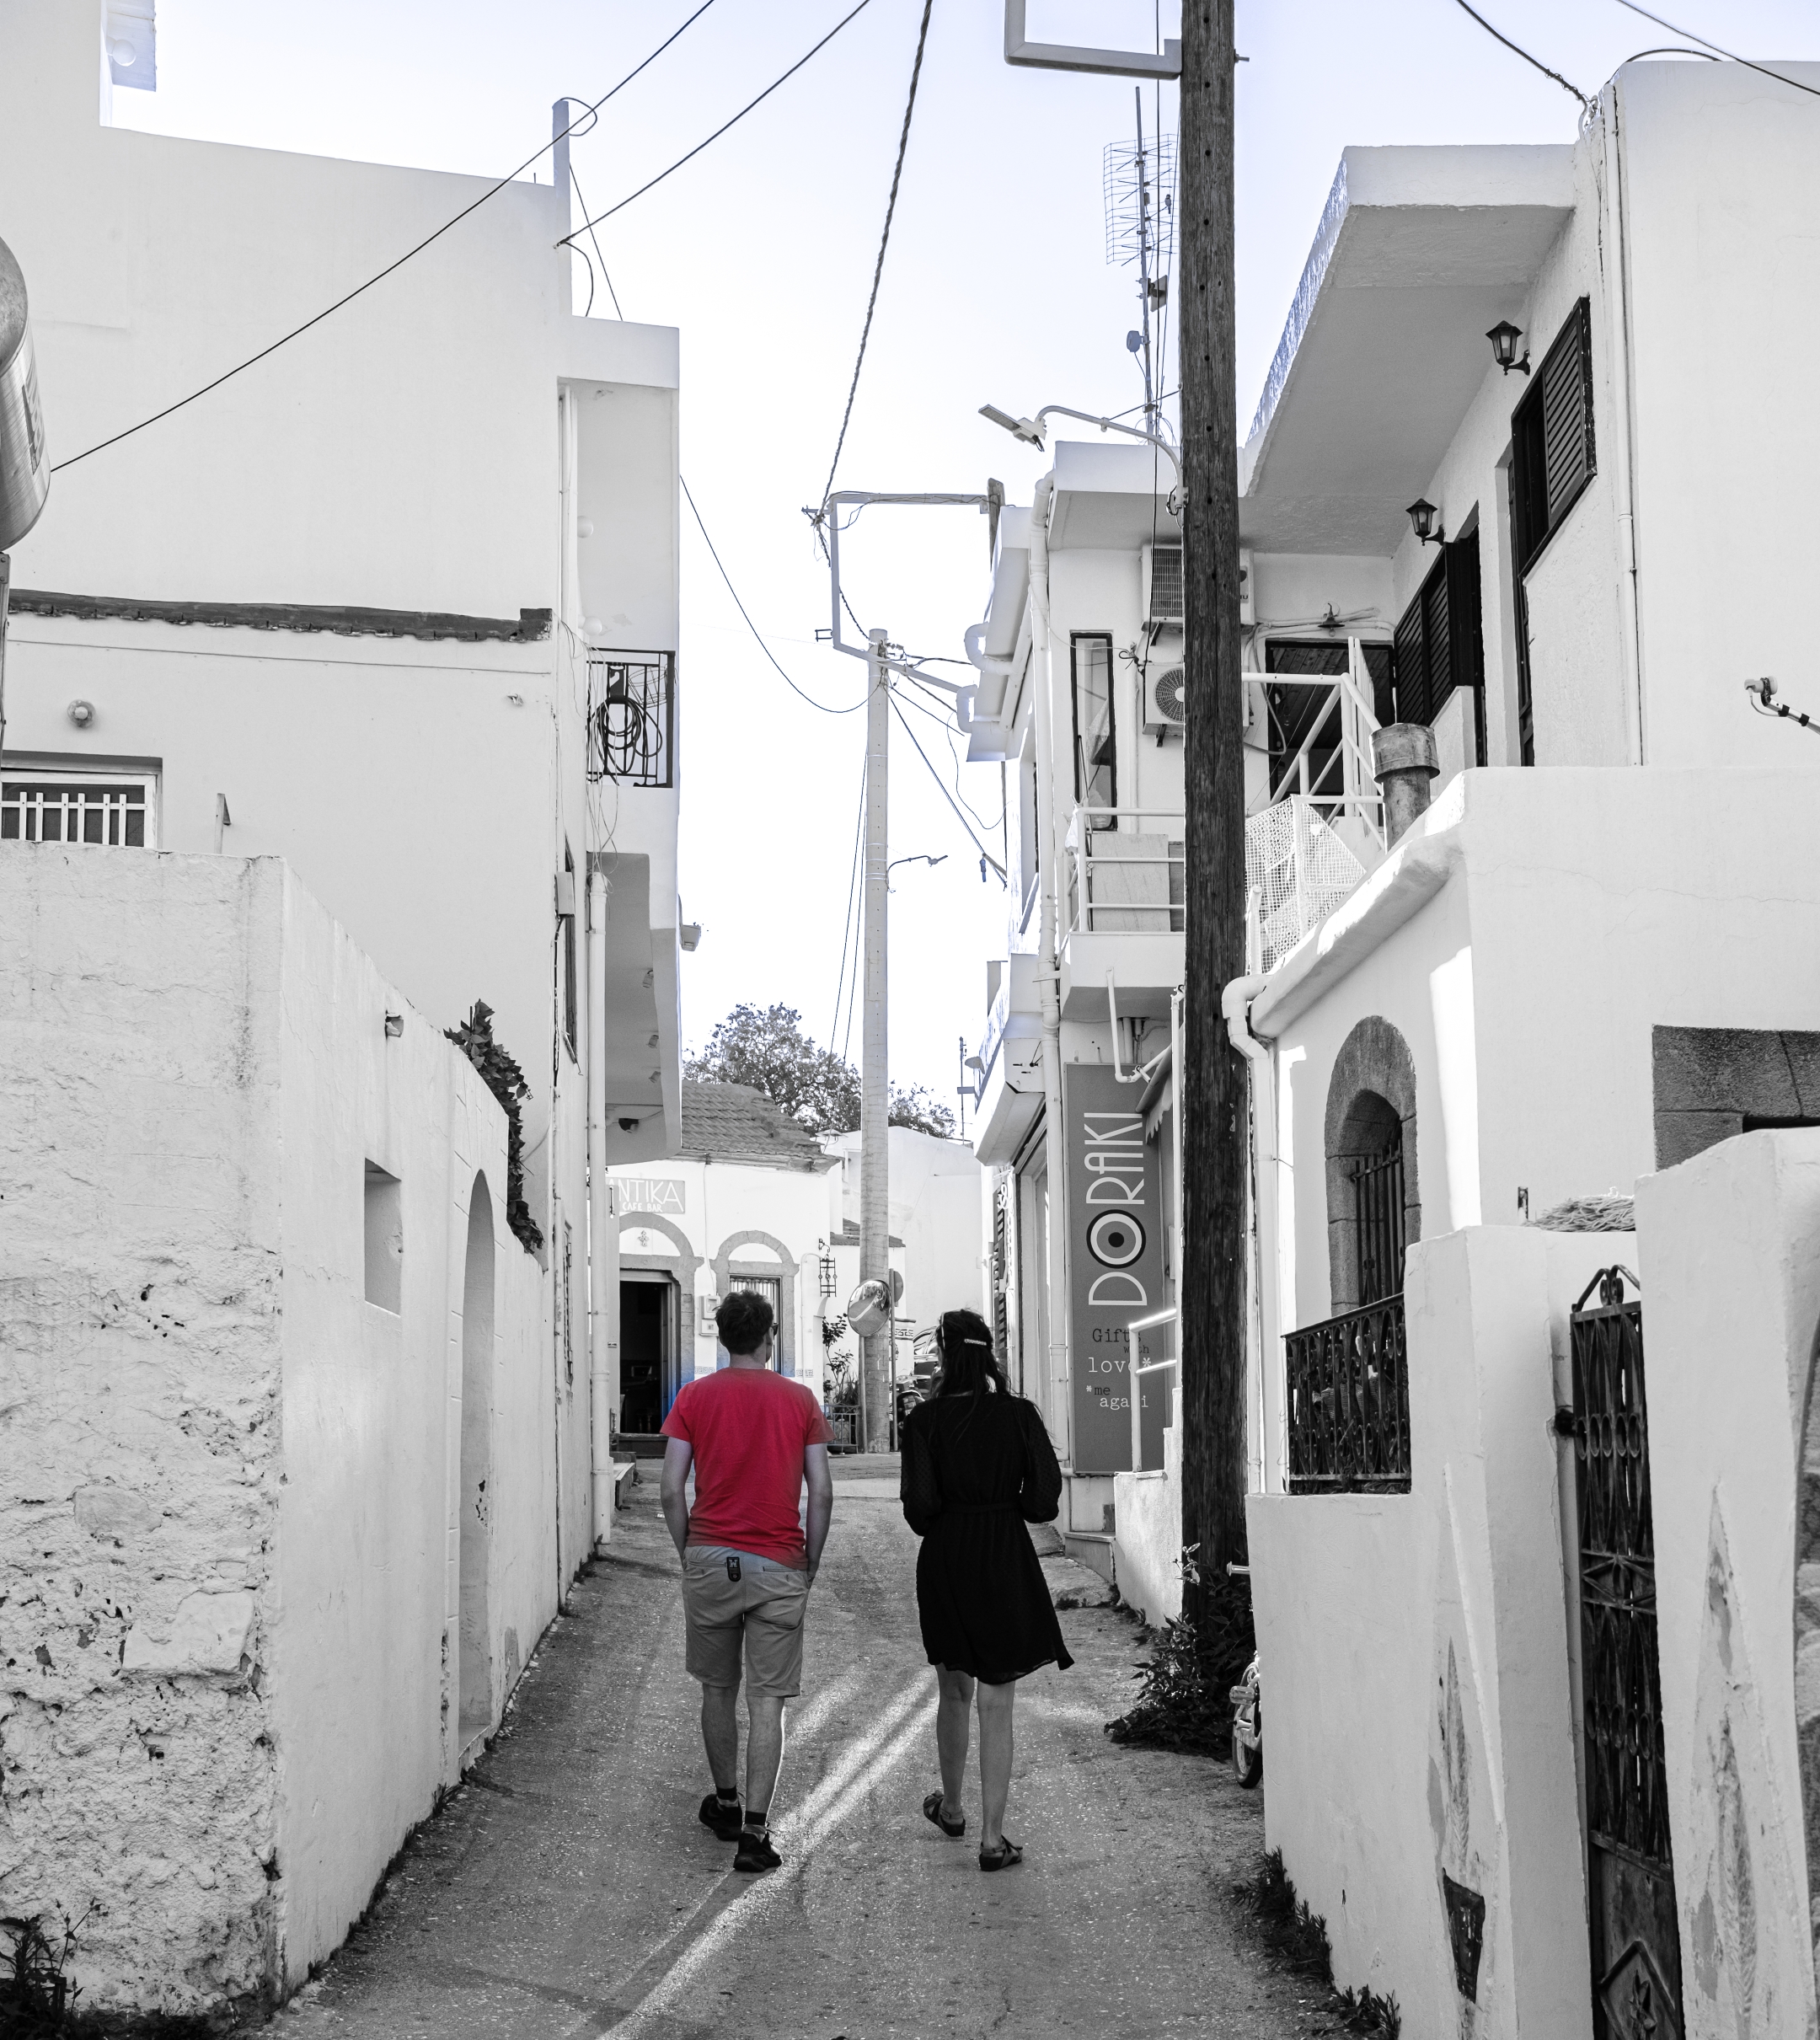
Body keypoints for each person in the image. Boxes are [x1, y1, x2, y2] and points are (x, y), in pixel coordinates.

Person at [659, 1291, 833, 1874]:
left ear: (723, 1337)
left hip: (711, 1557)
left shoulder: (694, 1397)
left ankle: (727, 1803)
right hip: (779, 1563)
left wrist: (691, 1550)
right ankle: (755, 1834)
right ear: (769, 1336)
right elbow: (822, 1491)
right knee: (767, 1701)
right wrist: (809, 1560)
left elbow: (670, 1488)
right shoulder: (800, 1400)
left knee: (717, 1688)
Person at [899, 1308, 1071, 1871]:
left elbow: (920, 1509)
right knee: (998, 1701)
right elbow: (1043, 1501)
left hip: (947, 1557)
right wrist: (1003, 1504)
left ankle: (952, 1808)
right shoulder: (1019, 1415)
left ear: (945, 1356)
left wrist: (956, 1510)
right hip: (1004, 1556)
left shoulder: (924, 1421)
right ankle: (993, 1840)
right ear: (989, 1354)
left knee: (954, 1690)